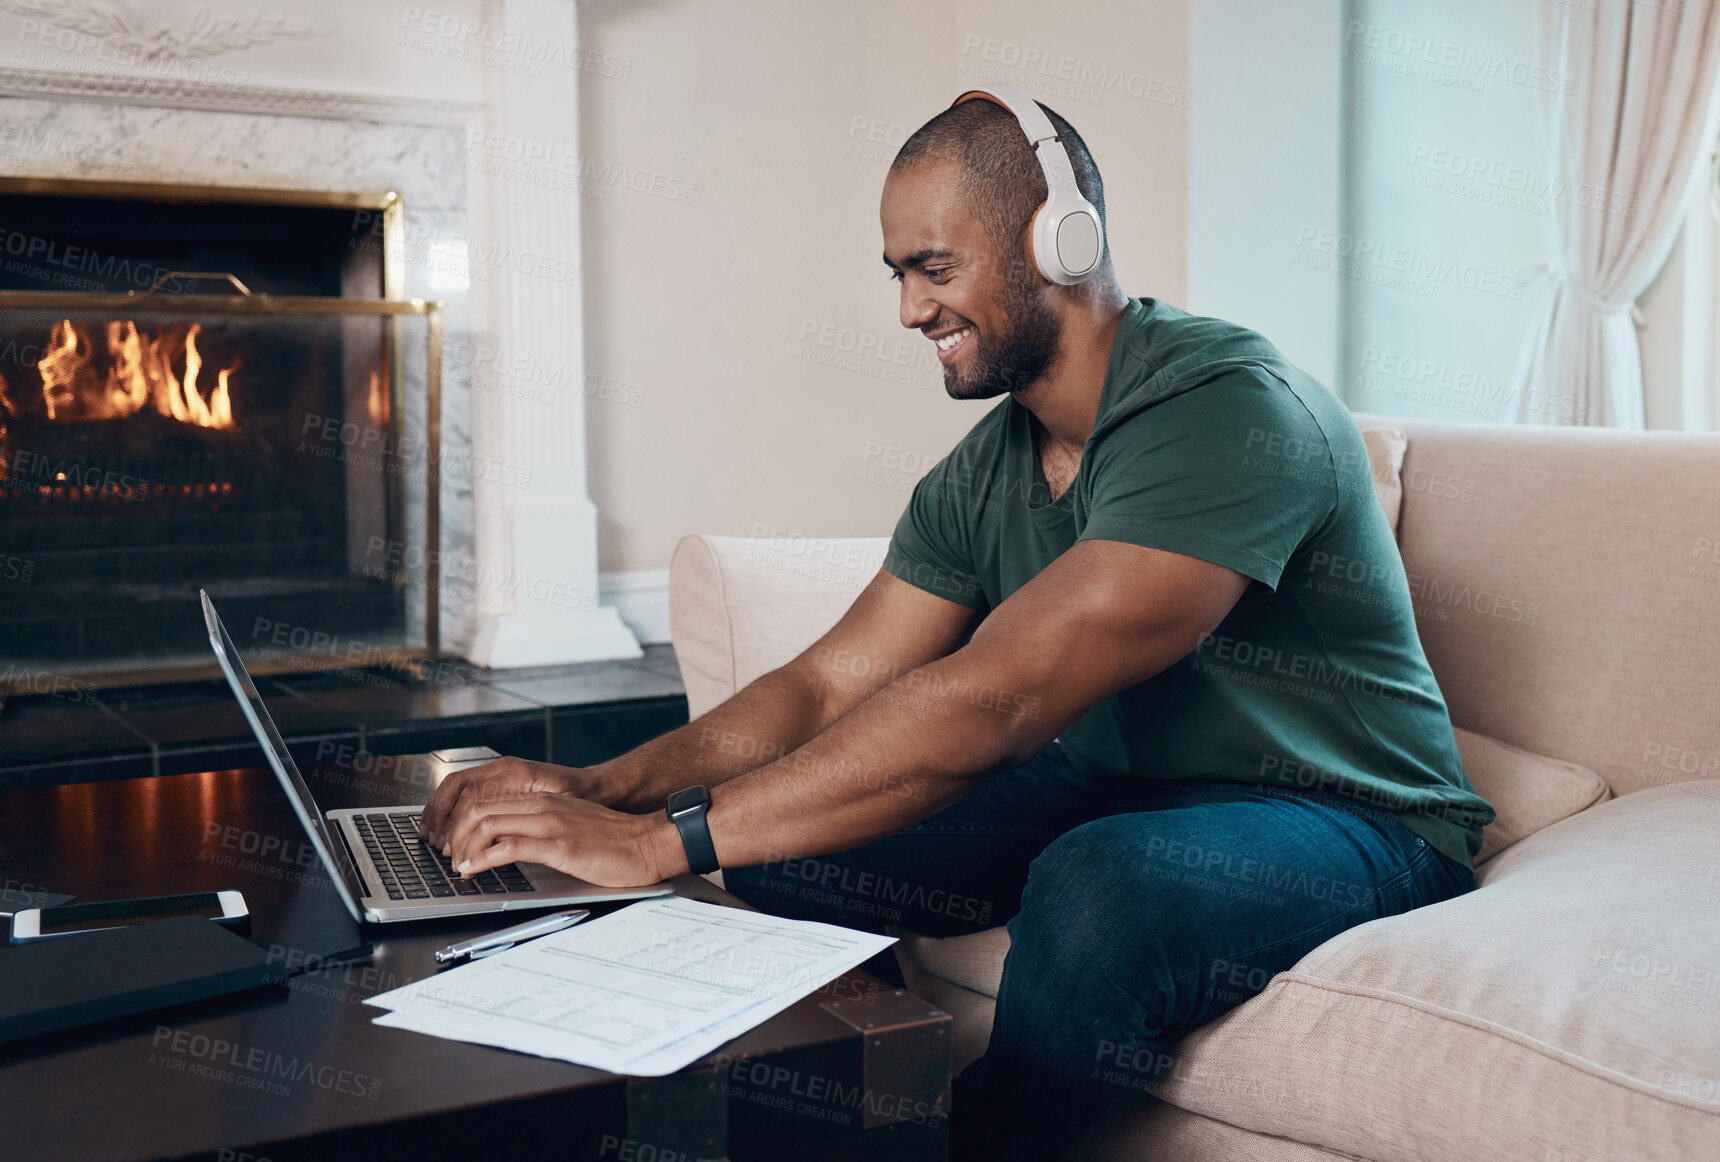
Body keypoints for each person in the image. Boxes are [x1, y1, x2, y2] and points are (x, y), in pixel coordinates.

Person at [421, 87, 1494, 1159]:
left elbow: (997, 697)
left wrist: (656, 844)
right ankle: (818, 1115)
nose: (907, 311)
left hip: (1355, 816)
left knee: (1096, 886)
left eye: (934, 268)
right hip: (1125, 781)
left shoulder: (1226, 409)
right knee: (790, 845)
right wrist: (606, 787)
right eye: (897, 275)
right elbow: (825, 685)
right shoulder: (985, 470)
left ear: (1059, 240)